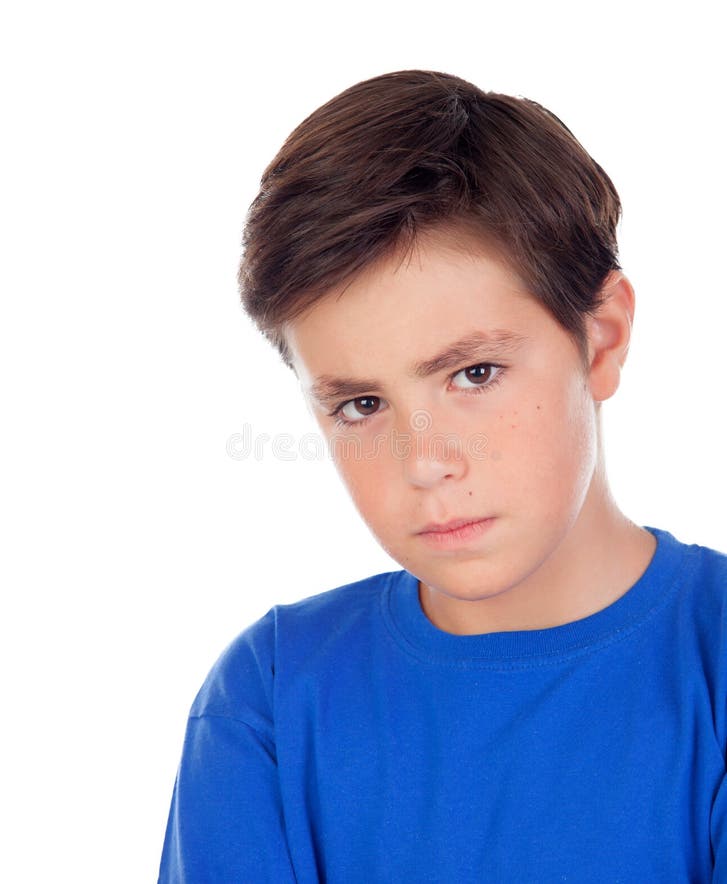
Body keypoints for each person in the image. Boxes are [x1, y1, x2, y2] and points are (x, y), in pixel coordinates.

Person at [158, 70, 727, 882]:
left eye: (474, 374)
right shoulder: (271, 699)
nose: (424, 463)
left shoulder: (710, 667)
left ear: (599, 340)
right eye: (360, 403)